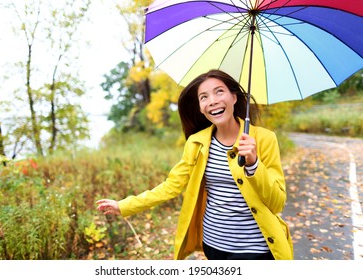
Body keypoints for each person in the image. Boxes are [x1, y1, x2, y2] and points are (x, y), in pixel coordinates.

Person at [96, 69, 293, 260]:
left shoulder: (264, 139)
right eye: (204, 97)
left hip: (254, 249)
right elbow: (171, 186)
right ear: (200, 107)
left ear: (234, 97)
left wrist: (253, 164)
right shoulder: (197, 142)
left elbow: (277, 202)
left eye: (219, 91)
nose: (213, 101)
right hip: (213, 244)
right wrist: (124, 206)